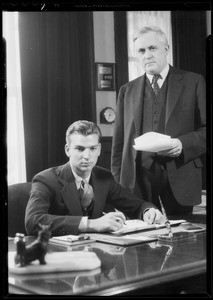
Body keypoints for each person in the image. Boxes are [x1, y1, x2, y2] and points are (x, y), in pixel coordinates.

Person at [111, 26, 206, 216]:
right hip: (137, 182)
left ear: (167, 49)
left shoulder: (193, 81)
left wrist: (182, 144)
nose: (147, 55)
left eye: (152, 48)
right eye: (141, 50)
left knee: (181, 241)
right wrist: (118, 182)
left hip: (180, 177)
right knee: (140, 241)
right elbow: (119, 142)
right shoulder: (126, 90)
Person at [25, 120, 164, 236]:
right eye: (80, 149)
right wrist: (91, 224)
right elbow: (33, 220)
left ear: (99, 150)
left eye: (92, 149)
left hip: (97, 252)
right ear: (67, 150)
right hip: (60, 257)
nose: (87, 156)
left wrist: (148, 211)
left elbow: (137, 205)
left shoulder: (104, 177)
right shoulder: (45, 179)